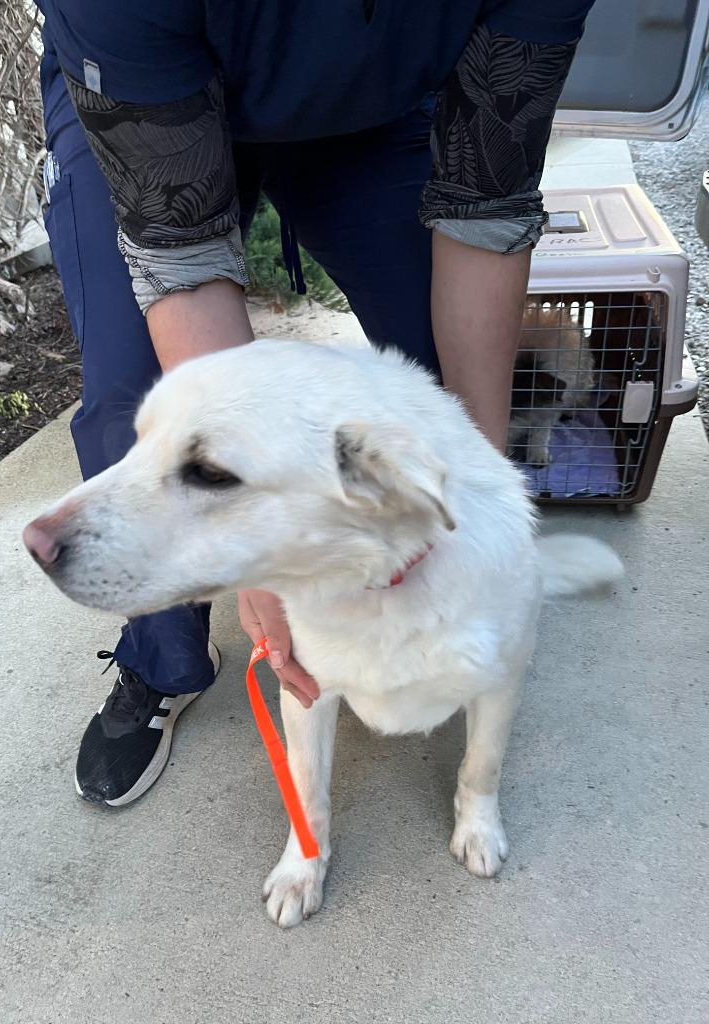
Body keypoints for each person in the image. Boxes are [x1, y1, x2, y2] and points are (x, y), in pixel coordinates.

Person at [35, 0, 595, 806]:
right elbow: (179, 251)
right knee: (135, 388)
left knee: (430, 397)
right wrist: (256, 573)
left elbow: (484, 204)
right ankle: (164, 660)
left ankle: (404, 619)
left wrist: (484, 506)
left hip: (372, 109)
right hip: (152, 95)